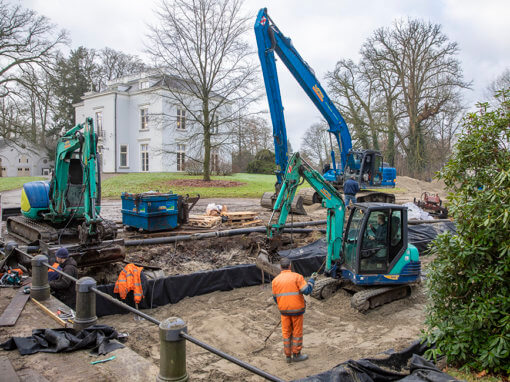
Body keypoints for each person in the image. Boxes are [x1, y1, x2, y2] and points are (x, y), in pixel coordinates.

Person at [272, 257, 316, 363]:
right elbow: (306, 291)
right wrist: (312, 280)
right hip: (297, 310)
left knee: (286, 333)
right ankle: (296, 354)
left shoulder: (275, 281)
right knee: (296, 332)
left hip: (284, 312)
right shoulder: (297, 277)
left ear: (280, 267)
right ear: (290, 266)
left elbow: (275, 298)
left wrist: (284, 306)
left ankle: (288, 356)